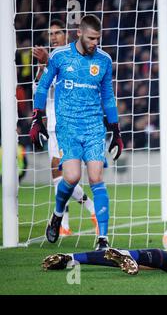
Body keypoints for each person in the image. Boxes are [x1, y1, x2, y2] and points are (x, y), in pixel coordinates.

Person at [30, 15, 123, 250]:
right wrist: (37, 119)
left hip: (93, 126)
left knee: (96, 178)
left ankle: (102, 239)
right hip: (68, 126)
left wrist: (115, 129)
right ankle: (57, 214)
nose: (95, 43)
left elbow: (108, 96)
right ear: (79, 34)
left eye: (98, 39)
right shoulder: (60, 57)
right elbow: (42, 86)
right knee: (71, 177)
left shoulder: (104, 60)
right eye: (91, 38)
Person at [32, 19, 98, 237]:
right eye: (50, 34)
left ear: (67, 35)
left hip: (66, 124)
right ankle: (67, 223)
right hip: (51, 125)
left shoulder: (68, 59)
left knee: (63, 173)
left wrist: (46, 63)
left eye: (57, 33)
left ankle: (77, 215)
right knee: (58, 175)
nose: (53, 37)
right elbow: (40, 87)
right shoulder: (50, 60)